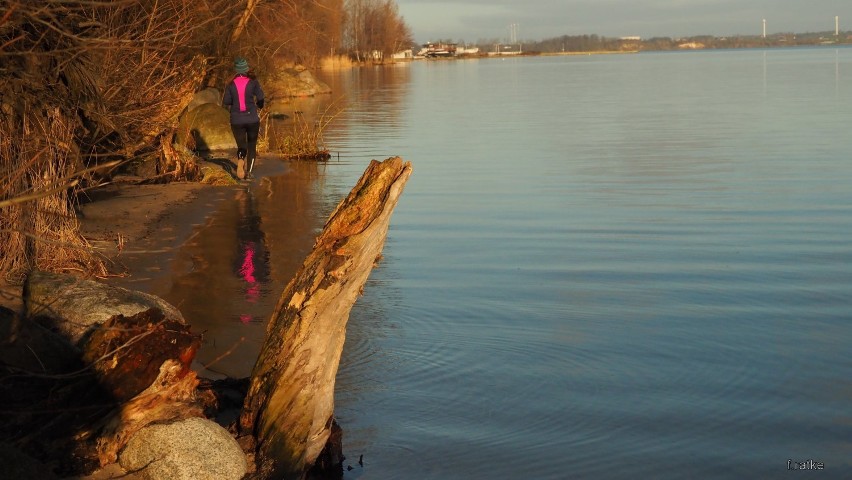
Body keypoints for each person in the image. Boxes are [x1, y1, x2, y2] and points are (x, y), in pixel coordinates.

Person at [223, 57, 265, 180]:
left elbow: (226, 101)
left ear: (236, 70)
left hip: (236, 120)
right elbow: (261, 98)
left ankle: (241, 160)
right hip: (252, 119)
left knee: (242, 146)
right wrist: (259, 106)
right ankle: (249, 173)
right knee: (252, 146)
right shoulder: (253, 82)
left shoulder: (230, 84)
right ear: (246, 68)